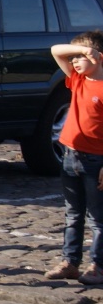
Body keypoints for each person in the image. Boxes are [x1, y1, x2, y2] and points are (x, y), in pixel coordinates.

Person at [46, 31, 103, 285]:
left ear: (99, 57)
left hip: (95, 161)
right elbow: (55, 51)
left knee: (97, 217)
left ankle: (98, 265)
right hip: (70, 155)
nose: (75, 61)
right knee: (73, 213)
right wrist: (80, 51)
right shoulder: (78, 79)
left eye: (81, 56)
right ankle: (70, 261)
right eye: (74, 56)